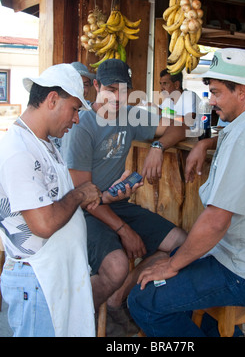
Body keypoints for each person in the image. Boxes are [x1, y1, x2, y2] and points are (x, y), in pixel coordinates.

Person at [128, 48, 245, 337]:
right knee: (177, 286)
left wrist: (172, 266)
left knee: (144, 299)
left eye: (217, 93)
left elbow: (216, 221)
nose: (212, 100)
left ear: (242, 91)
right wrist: (205, 143)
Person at [0, 64, 136, 337]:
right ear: (52, 99)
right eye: (74, 109)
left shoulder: (44, 143)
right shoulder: (18, 150)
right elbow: (43, 223)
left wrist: (103, 196)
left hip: (54, 276)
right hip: (37, 280)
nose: (76, 119)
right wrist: (80, 193)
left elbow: (59, 201)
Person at [60, 59, 187, 336]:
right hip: (84, 211)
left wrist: (157, 145)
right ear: (95, 86)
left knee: (179, 243)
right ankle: (74, 322)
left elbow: (181, 127)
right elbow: (84, 198)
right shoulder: (82, 126)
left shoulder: (131, 115)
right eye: (110, 89)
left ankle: (119, 301)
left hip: (115, 204)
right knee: (115, 266)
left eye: (124, 90)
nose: (117, 98)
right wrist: (124, 230)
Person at [51, 61, 95, 151]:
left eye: (85, 85)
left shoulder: (92, 112)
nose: (81, 88)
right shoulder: (54, 112)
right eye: (77, 82)